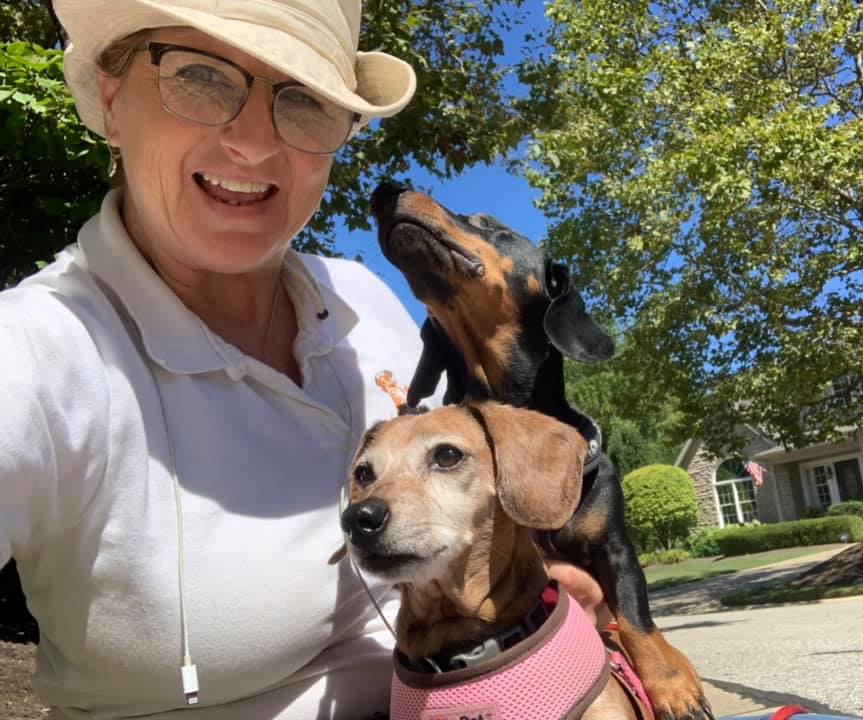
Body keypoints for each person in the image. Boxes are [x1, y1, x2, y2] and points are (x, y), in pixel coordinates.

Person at [0, 1, 605, 718]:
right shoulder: (33, 350)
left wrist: (523, 596)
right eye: (200, 76)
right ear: (110, 98)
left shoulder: (361, 296)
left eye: (305, 99)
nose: (254, 143)